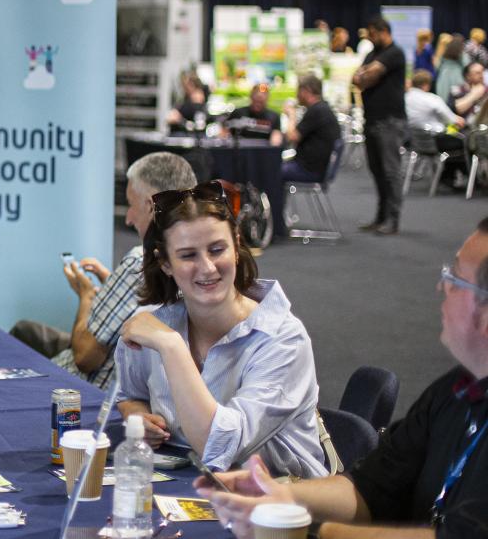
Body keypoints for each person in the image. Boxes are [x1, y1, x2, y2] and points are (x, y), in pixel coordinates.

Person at [200, 216, 488, 538]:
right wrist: (279, 497)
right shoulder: (455, 390)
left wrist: (323, 533)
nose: (442, 286)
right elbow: (370, 488)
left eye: (456, 279)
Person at [114, 180, 327, 478]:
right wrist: (136, 415)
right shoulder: (155, 323)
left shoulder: (283, 340)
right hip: (191, 486)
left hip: (279, 509)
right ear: (165, 263)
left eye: (217, 250)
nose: (208, 268)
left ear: (237, 246)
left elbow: (220, 446)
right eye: (188, 255)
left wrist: (173, 347)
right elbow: (129, 393)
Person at [10, 152, 197, 389]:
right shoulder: (188, 270)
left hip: (81, 392)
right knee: (26, 331)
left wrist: (87, 296)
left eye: (131, 205)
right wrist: (112, 283)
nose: (128, 219)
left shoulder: (142, 262)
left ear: (150, 207)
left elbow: (85, 357)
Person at [352, 17, 407, 236]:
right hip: (372, 119)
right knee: (377, 171)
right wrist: (365, 75)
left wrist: (366, 75)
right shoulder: (372, 54)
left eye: (372, 34)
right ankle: (381, 217)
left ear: (383, 31)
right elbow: (357, 79)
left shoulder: (395, 53)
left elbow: (367, 76)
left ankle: (392, 220)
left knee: (391, 172)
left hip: (390, 121)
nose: (370, 38)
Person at [282, 75, 341, 183]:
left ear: (306, 91)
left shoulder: (317, 111)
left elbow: (292, 137)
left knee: (270, 171)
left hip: (310, 170)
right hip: (317, 168)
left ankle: (273, 200)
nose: (297, 94)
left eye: (298, 90)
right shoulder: (322, 108)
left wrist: (291, 114)